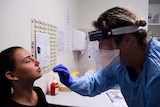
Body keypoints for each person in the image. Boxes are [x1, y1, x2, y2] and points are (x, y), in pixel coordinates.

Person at [53, 6, 160, 107]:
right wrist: (71, 81)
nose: (100, 48)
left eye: (103, 42)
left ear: (127, 39)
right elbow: (95, 83)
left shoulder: (156, 72)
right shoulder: (121, 63)